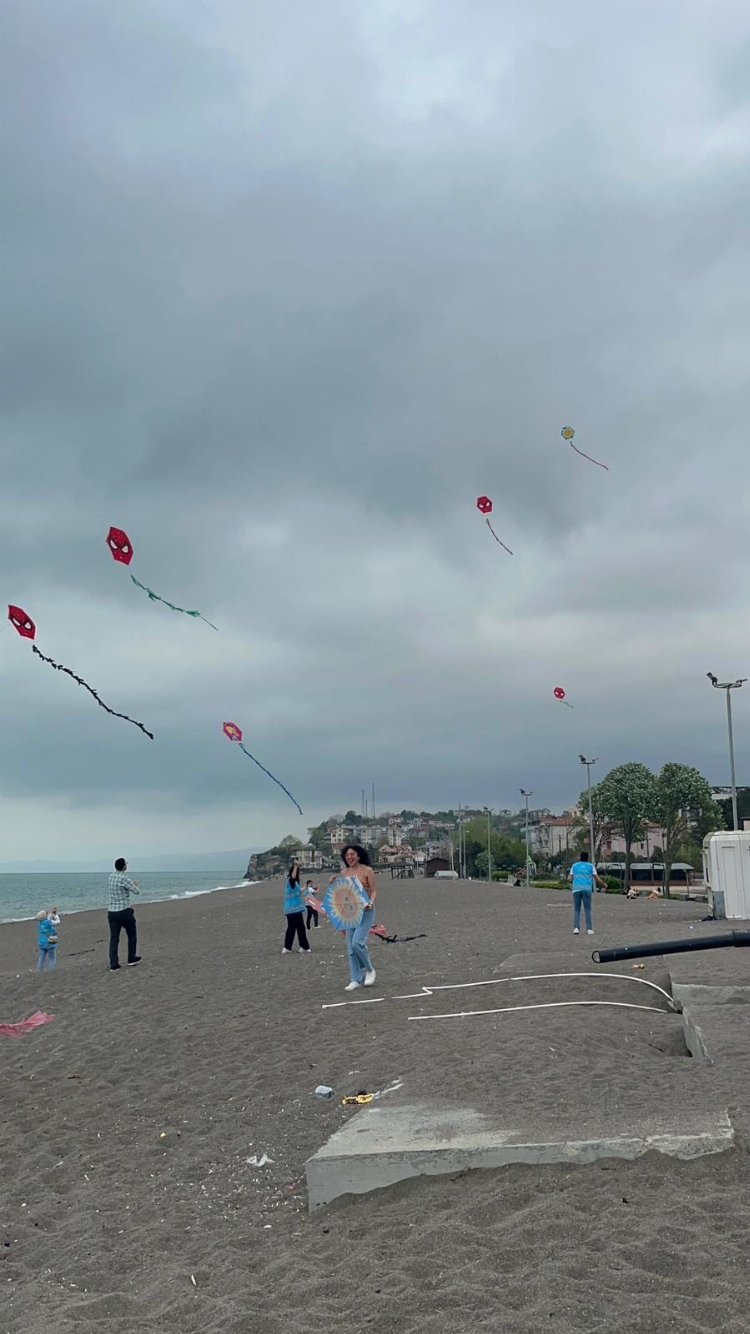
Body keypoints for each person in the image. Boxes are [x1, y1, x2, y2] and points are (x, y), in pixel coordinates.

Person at [333, 844, 377, 992]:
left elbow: (374, 890)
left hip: (366, 911)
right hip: (350, 912)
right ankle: (355, 979)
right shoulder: (344, 872)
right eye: (347, 855)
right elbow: (342, 892)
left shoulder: (367, 870)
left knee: (357, 942)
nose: (349, 857)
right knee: (351, 949)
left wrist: (371, 902)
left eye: (352, 854)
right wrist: (334, 883)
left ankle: (369, 969)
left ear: (358, 856)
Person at [108, 857, 142, 970]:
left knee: (114, 938)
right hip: (124, 910)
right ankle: (131, 958)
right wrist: (135, 885)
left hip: (112, 911)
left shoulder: (111, 876)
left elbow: (120, 888)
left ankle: (114, 963)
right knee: (131, 933)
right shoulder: (124, 878)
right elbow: (136, 891)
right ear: (123, 866)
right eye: (126, 864)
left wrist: (130, 885)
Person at [568, 853, 605, 935]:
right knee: (587, 909)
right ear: (587, 858)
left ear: (580, 857)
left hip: (576, 889)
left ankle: (576, 928)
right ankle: (589, 929)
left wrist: (573, 881)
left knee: (577, 909)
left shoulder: (574, 866)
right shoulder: (590, 866)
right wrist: (603, 884)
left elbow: (570, 878)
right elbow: (596, 878)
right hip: (587, 889)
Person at [282, 861, 311, 954]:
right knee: (296, 928)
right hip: (293, 909)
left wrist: (304, 887)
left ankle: (290, 947)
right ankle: (300, 947)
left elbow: (297, 891)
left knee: (297, 928)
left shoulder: (295, 883)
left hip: (295, 909)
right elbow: (293, 877)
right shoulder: (290, 881)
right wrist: (296, 866)